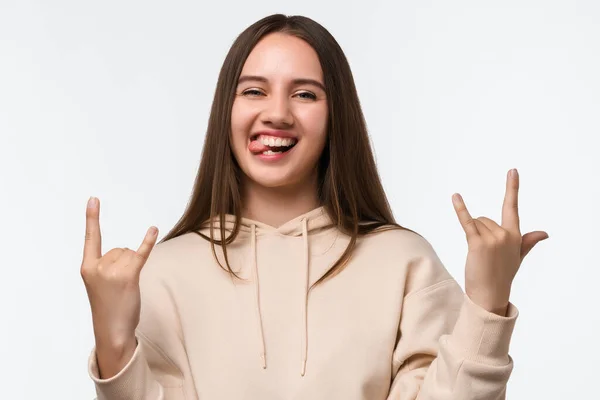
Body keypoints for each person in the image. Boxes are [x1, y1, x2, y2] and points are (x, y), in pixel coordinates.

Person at [81, 14, 548, 400]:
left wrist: (487, 302)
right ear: (226, 109)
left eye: (305, 94)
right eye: (253, 90)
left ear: (336, 114)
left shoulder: (404, 263)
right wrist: (113, 343)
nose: (278, 113)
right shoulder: (164, 273)